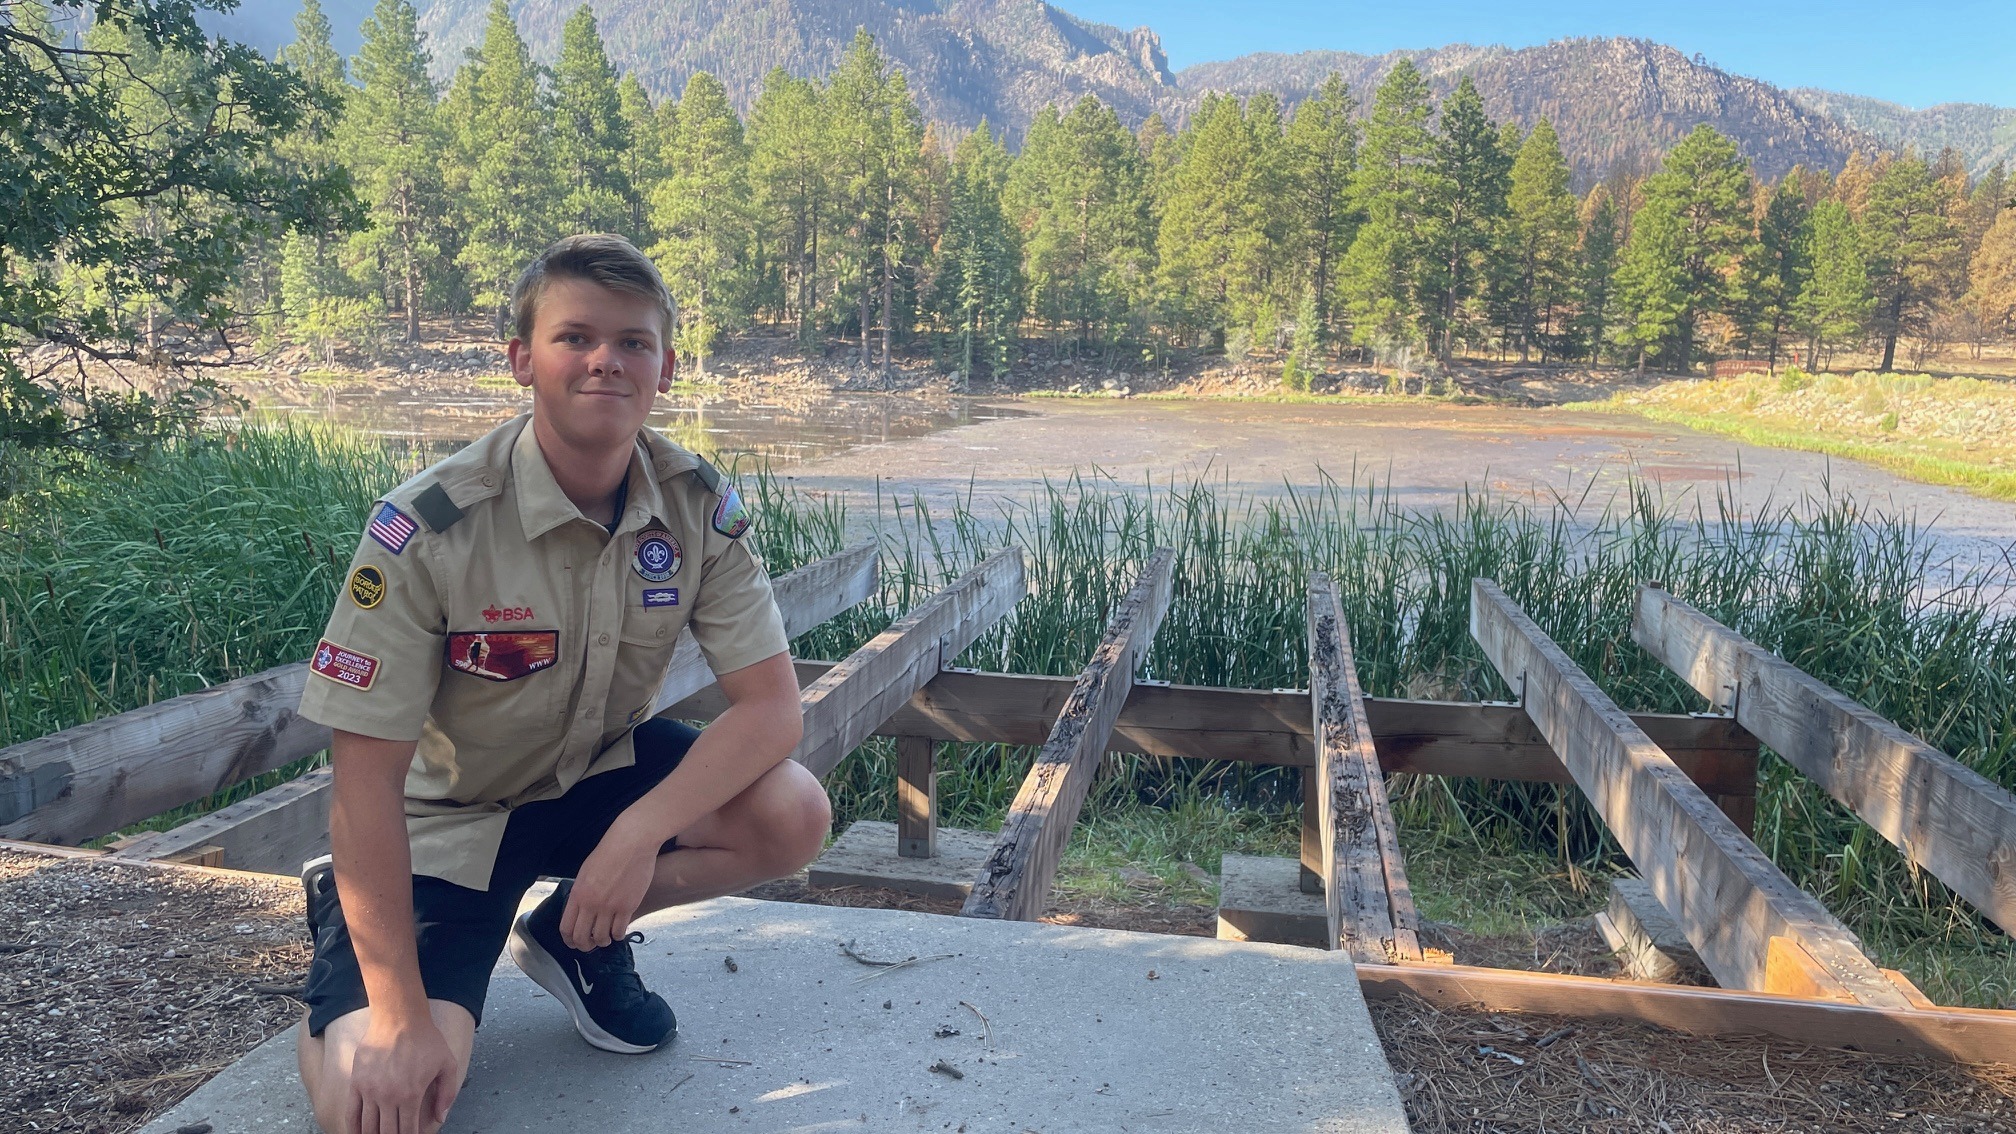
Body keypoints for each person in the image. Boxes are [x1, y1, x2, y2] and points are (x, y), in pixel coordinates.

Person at [292, 234, 827, 1134]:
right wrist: (396, 1014)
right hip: (452, 822)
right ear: (521, 360)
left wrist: (636, 834)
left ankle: (575, 931)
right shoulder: (429, 526)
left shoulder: (694, 503)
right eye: (574, 337)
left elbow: (772, 709)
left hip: (593, 773)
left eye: (633, 342)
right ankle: (351, 925)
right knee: (378, 1106)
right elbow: (364, 779)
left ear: (665, 367)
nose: (605, 361)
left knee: (792, 813)